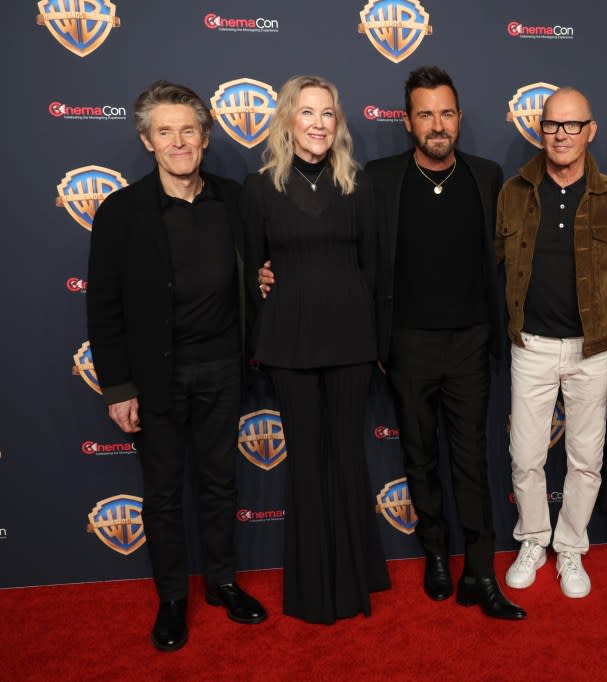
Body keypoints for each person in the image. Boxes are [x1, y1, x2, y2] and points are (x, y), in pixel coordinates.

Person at [260, 66, 524, 620]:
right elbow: (337, 246)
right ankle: (433, 556)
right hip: (404, 344)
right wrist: (274, 269)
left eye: (446, 113)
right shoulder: (377, 180)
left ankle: (480, 571)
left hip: (471, 341)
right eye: (425, 114)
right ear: (407, 122)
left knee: (473, 460)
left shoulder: (488, 175)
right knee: (419, 457)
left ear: (458, 118)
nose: (437, 124)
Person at [87, 81, 266, 652]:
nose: (179, 141)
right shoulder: (121, 212)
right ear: (148, 141)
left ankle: (222, 582)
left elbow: (258, 274)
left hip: (223, 369)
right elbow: (104, 305)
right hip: (156, 377)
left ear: (206, 136)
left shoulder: (235, 201)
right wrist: (118, 386)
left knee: (219, 484)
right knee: (162, 494)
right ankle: (170, 599)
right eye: (166, 131)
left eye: (189, 129)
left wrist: (263, 283)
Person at [497, 87, 607, 599]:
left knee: (586, 459)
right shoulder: (514, 191)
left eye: (572, 125)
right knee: (525, 456)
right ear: (539, 130)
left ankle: (571, 547)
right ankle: (532, 539)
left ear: (591, 131)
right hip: (531, 346)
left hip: (595, 348)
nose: (561, 135)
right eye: (552, 125)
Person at [242, 75, 390, 623]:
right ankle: (310, 589)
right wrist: (259, 289)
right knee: (305, 463)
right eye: (307, 113)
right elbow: (248, 272)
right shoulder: (258, 189)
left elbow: (374, 268)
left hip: (352, 342)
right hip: (288, 344)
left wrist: (378, 343)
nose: (319, 123)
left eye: (328, 113)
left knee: (348, 459)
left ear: (338, 122)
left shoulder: (359, 184)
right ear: (287, 120)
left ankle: (358, 578)